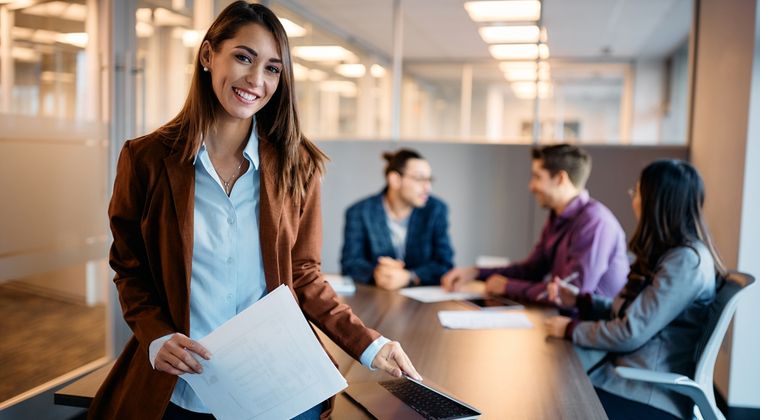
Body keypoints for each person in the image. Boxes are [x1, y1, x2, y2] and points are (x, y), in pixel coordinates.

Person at [88, 3, 420, 419]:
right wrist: (156, 337)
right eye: (244, 57)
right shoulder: (146, 159)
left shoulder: (298, 166)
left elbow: (304, 275)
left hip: (276, 382)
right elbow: (129, 268)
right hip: (184, 383)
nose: (256, 80)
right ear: (208, 56)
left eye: (272, 69)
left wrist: (372, 345)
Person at [544, 160, 724, 420]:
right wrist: (584, 301)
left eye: (637, 192)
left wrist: (570, 329)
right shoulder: (676, 256)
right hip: (625, 379)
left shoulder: (686, 262)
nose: (634, 199)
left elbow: (631, 331)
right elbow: (638, 315)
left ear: (656, 201)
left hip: (646, 392)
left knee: (550, 403)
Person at [442, 144, 628, 304]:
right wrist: (476, 272)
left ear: (560, 179)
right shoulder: (557, 216)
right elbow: (532, 270)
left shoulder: (595, 222)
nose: (531, 186)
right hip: (562, 321)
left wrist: (507, 286)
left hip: (586, 332)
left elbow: (568, 293)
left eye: (537, 177)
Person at [340, 148, 454, 290]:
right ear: (395, 180)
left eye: (429, 180)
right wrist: (377, 273)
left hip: (421, 303)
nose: (428, 188)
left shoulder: (436, 209)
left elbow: (445, 263)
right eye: (420, 179)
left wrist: (409, 276)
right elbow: (350, 263)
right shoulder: (360, 212)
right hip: (374, 299)